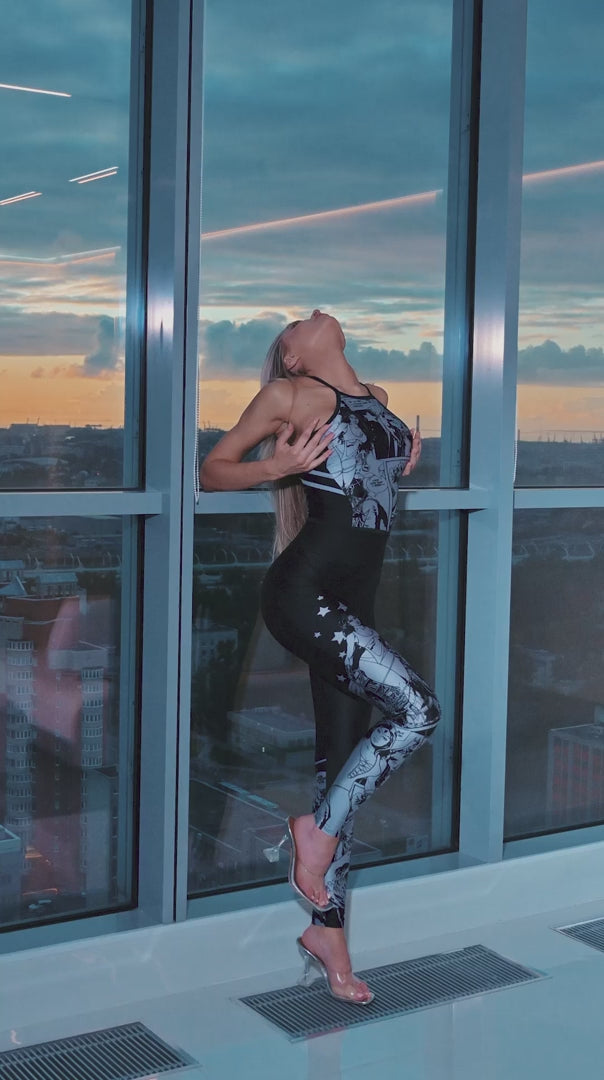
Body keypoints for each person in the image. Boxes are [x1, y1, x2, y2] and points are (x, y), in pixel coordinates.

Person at [200, 309, 441, 1005]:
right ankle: (316, 832)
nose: (303, 319)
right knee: (418, 711)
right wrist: (276, 466)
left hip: (352, 605)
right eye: (291, 327)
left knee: (342, 765)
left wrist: (396, 459)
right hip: (302, 595)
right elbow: (212, 471)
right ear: (294, 357)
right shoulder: (290, 395)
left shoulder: (381, 401)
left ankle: (327, 935)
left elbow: (366, 480)